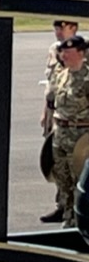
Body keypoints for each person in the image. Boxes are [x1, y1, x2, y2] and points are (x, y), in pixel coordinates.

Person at [45, 35, 89, 229]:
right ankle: (68, 216)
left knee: (78, 178)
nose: (65, 56)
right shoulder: (61, 75)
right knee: (62, 178)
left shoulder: (87, 78)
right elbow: (52, 101)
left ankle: (79, 221)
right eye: (63, 52)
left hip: (79, 136)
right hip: (60, 133)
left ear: (81, 53)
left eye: (69, 52)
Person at [41, 19, 80, 222]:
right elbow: (51, 92)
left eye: (61, 28)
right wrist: (45, 115)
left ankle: (75, 215)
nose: (57, 31)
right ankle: (63, 209)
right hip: (57, 121)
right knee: (59, 170)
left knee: (76, 172)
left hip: (78, 128)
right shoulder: (58, 62)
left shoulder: (85, 68)